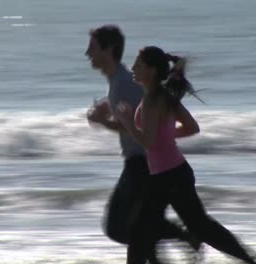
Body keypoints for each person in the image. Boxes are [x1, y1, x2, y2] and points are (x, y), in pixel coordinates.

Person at [116, 46, 256, 264]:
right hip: (170, 174)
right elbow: (191, 127)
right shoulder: (165, 96)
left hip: (170, 176)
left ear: (152, 71)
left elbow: (147, 140)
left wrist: (127, 119)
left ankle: (253, 261)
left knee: (197, 227)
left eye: (138, 65)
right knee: (145, 231)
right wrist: (165, 137)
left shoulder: (151, 101)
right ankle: (253, 261)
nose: (133, 68)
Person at [85, 25, 199, 263]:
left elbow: (141, 123)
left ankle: (184, 235)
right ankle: (183, 236)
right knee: (139, 230)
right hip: (140, 161)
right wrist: (109, 107)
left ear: (109, 49)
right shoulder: (119, 81)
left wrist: (105, 121)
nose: (88, 53)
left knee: (119, 227)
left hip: (142, 162)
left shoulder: (124, 83)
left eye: (93, 47)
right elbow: (138, 114)